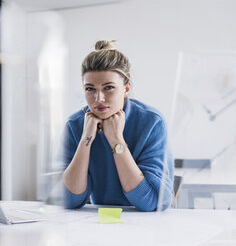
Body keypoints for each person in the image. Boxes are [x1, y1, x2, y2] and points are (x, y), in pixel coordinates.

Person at [62, 40, 174, 211]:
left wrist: (116, 140)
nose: (98, 99)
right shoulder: (75, 125)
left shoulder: (152, 122)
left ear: (126, 88)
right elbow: (69, 201)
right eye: (90, 89)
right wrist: (86, 139)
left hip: (147, 227)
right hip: (97, 224)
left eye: (108, 88)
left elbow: (153, 202)